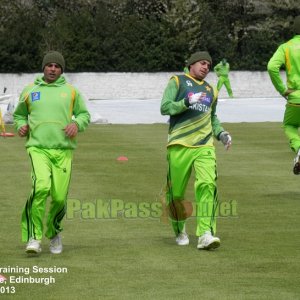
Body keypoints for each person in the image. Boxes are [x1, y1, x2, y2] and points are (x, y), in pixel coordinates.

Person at [13, 51, 90, 254]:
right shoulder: (30, 90)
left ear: (61, 69)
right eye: (49, 65)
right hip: (38, 148)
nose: (53, 69)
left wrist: (76, 123)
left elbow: (84, 114)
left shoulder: (71, 91)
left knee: (59, 198)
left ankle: (54, 232)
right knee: (41, 188)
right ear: (44, 68)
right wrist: (20, 126)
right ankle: (34, 237)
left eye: (57, 66)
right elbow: (19, 115)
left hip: (63, 150)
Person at [160, 51, 232, 250]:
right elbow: (165, 107)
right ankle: (179, 229)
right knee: (175, 195)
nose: (206, 67)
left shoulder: (212, 90)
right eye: (202, 63)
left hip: (204, 145)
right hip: (179, 145)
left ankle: (205, 234)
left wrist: (222, 133)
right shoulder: (178, 81)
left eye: (209, 65)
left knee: (208, 184)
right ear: (191, 64)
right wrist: (186, 102)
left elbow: (213, 117)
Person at [267, 16, 300, 175]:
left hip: (295, 99)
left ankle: (299, 148)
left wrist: (282, 89)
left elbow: (272, 67)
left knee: (290, 126)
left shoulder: (286, 47)